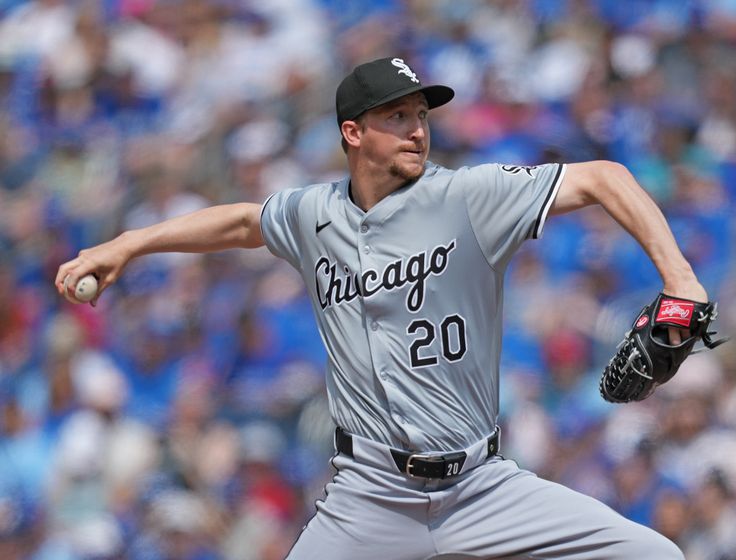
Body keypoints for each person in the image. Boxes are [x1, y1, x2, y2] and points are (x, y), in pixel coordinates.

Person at [57, 56, 700, 559]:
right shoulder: (314, 215)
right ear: (353, 132)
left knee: (655, 554)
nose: (417, 129)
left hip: (480, 485)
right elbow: (241, 224)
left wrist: (682, 282)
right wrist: (127, 245)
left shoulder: (468, 197)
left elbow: (604, 178)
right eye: (397, 117)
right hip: (370, 495)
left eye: (421, 115)